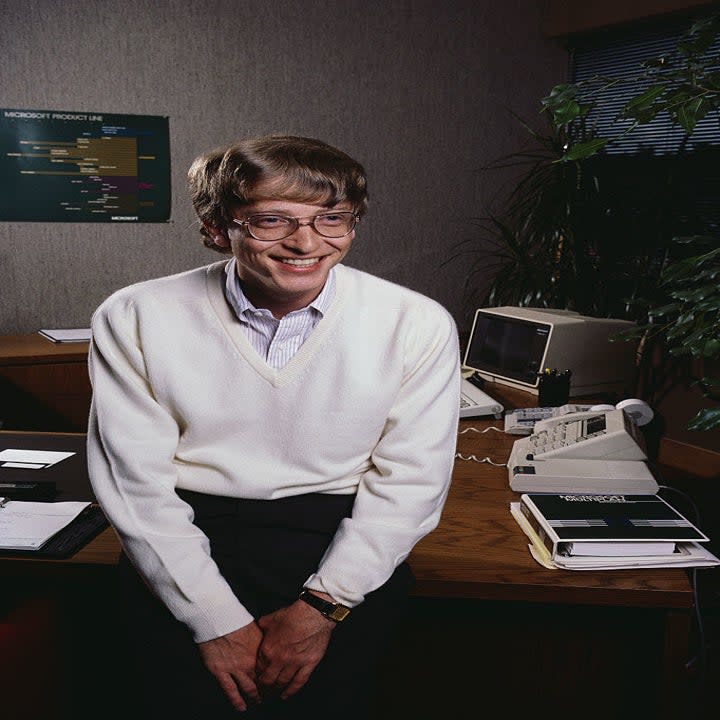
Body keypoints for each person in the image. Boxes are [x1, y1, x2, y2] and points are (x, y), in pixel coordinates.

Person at [87, 134, 460, 718]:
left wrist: (323, 607)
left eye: (331, 218)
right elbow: (136, 488)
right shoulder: (135, 314)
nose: (306, 242)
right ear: (217, 227)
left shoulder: (416, 322)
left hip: (339, 543)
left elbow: (410, 485)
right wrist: (212, 619)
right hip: (187, 542)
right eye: (272, 220)